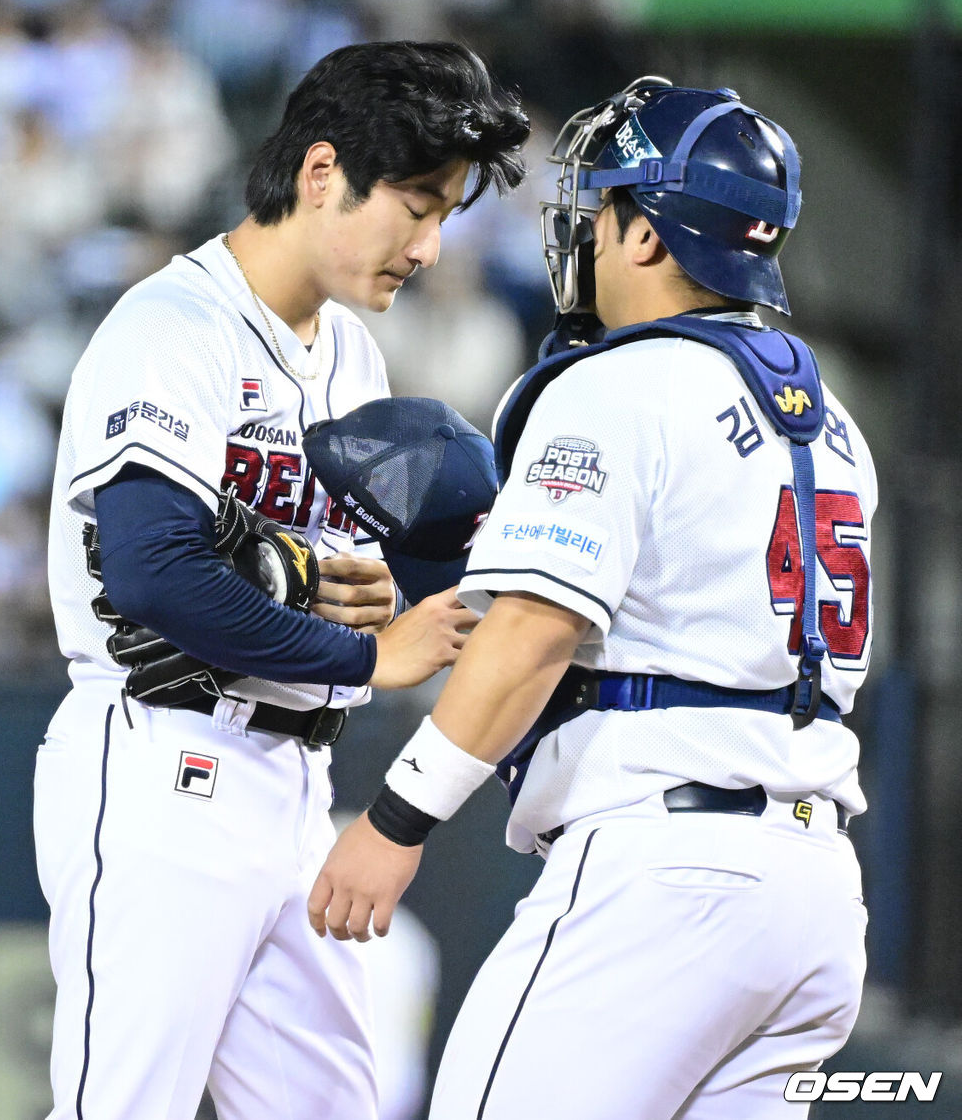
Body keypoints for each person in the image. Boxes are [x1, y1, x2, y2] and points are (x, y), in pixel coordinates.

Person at [309, 77, 876, 1120]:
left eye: (605, 205)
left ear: (651, 236)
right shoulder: (831, 416)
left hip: (664, 872)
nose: (584, 231)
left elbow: (534, 632)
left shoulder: (617, 382)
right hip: (814, 888)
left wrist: (394, 819)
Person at [37, 39, 529, 1120]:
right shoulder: (171, 328)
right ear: (321, 174)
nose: (432, 247)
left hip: (294, 782)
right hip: (164, 759)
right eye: (415, 204)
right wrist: (365, 651)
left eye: (444, 214)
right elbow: (151, 571)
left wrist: (416, 577)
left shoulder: (350, 354)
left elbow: (356, 584)